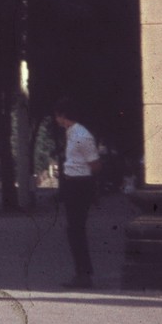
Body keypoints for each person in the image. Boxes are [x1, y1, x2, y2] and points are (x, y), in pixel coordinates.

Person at [54, 100, 101, 288]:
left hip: (80, 186)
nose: (56, 119)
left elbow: (95, 164)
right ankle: (82, 271)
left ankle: (84, 274)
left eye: (57, 115)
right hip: (72, 185)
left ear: (63, 115)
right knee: (73, 230)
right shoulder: (71, 133)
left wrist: (90, 186)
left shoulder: (82, 135)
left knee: (76, 230)